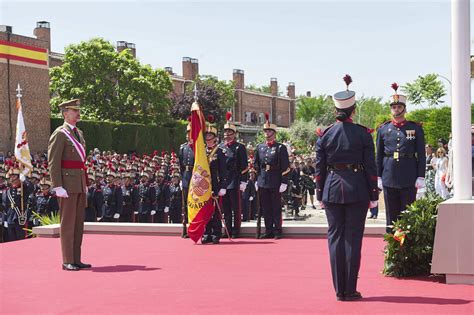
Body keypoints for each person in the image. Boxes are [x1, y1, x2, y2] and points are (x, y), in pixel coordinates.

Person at [315, 75, 378, 301]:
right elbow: (371, 167)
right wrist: (374, 194)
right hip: (357, 188)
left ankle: (339, 290)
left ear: (335, 109)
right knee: (353, 239)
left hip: (331, 188)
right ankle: (350, 289)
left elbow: (319, 168)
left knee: (334, 238)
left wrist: (319, 193)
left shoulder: (326, 134)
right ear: (353, 109)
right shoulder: (363, 133)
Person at [48, 99, 91, 271]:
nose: (77, 113)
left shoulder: (78, 133)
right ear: (65, 113)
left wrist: (85, 183)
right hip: (66, 184)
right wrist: (57, 185)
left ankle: (76, 258)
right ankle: (67, 260)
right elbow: (53, 162)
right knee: (67, 224)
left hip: (79, 183)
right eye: (74, 110)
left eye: (78, 110)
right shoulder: (60, 133)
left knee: (78, 223)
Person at [376, 83, 425, 233]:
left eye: (399, 107)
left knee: (408, 214)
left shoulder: (415, 128)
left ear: (404, 108)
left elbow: (421, 154)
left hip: (409, 176)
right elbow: (378, 155)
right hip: (389, 176)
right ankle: (392, 246)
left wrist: (420, 176)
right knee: (391, 214)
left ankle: (407, 247)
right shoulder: (383, 129)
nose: (396, 110)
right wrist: (378, 176)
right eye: (393, 107)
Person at [253, 113, 290, 239]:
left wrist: (284, 182)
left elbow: (285, 166)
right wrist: (257, 180)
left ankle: (277, 230)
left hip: (275, 180)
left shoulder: (280, 148)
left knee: (276, 207)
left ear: (274, 133)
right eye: (265, 131)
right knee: (266, 207)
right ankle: (268, 230)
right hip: (263, 180)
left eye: (269, 131)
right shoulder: (260, 147)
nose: (267, 133)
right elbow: (256, 165)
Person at [218, 112, 248, 238]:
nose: (227, 135)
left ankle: (236, 230)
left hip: (234, 179)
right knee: (226, 208)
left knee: (236, 208)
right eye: (225, 133)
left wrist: (243, 181)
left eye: (229, 133)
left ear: (234, 134)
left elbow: (244, 166)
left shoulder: (239, 147)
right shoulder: (219, 147)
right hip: (223, 181)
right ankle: (228, 230)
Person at [202, 117, 227, 244]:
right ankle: (207, 233)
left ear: (215, 137)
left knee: (216, 211)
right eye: (207, 135)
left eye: (210, 135)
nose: (208, 138)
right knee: (205, 209)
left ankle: (216, 233)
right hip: (203, 185)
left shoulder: (220, 152)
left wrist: (223, 186)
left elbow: (223, 171)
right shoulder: (202, 152)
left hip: (216, 184)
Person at [179, 124, 194, 237]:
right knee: (185, 204)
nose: (189, 135)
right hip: (185, 176)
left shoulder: (199, 147)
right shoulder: (183, 147)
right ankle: (185, 228)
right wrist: (181, 178)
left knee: (194, 203)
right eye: (188, 133)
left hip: (195, 177)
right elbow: (181, 165)